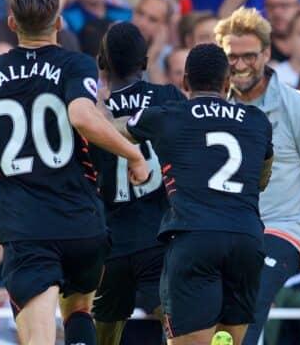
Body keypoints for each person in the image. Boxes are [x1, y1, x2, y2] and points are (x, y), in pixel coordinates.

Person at [0, 0, 149, 345]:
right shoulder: (76, 65)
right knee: (77, 310)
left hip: (28, 231)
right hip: (81, 223)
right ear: (58, 22)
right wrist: (134, 154)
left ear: (12, 24)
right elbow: (83, 116)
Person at [109, 43, 273, 345]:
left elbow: (112, 128)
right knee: (228, 342)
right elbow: (262, 178)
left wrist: (88, 109)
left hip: (195, 238)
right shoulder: (256, 120)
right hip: (246, 240)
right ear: (227, 83)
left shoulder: (169, 115)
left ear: (185, 82)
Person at [214, 7, 300, 345]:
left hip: (281, 226)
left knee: (250, 300)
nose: (241, 65)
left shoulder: (298, 107)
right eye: (232, 56)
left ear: (268, 54)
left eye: (249, 56)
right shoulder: (212, 106)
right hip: (223, 228)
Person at [90, 21, 186, 345]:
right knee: (181, 332)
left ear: (101, 63)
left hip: (110, 246)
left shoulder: (88, 114)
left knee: (103, 335)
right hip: (160, 239)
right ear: (145, 64)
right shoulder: (169, 97)